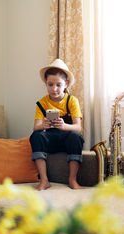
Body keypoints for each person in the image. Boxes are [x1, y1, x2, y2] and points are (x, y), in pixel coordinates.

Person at [30, 58, 84, 190]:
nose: (54, 89)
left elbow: (78, 127)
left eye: (58, 85)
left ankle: (72, 180)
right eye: (50, 84)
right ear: (46, 83)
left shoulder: (72, 101)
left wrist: (64, 126)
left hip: (67, 139)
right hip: (50, 140)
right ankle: (44, 180)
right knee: (36, 135)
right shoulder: (41, 103)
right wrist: (44, 125)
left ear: (65, 84)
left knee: (76, 136)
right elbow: (35, 126)